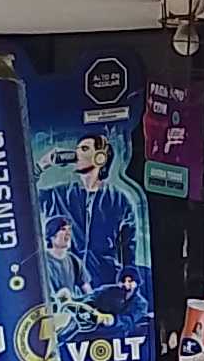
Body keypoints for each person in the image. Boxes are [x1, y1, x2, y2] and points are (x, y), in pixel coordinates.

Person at [46, 131, 142, 320]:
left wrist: (128, 281)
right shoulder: (59, 194)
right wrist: (43, 165)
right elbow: (25, 194)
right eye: (77, 149)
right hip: (68, 292)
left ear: (100, 157)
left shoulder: (120, 200)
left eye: (84, 149)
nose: (77, 154)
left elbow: (128, 248)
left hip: (107, 286)